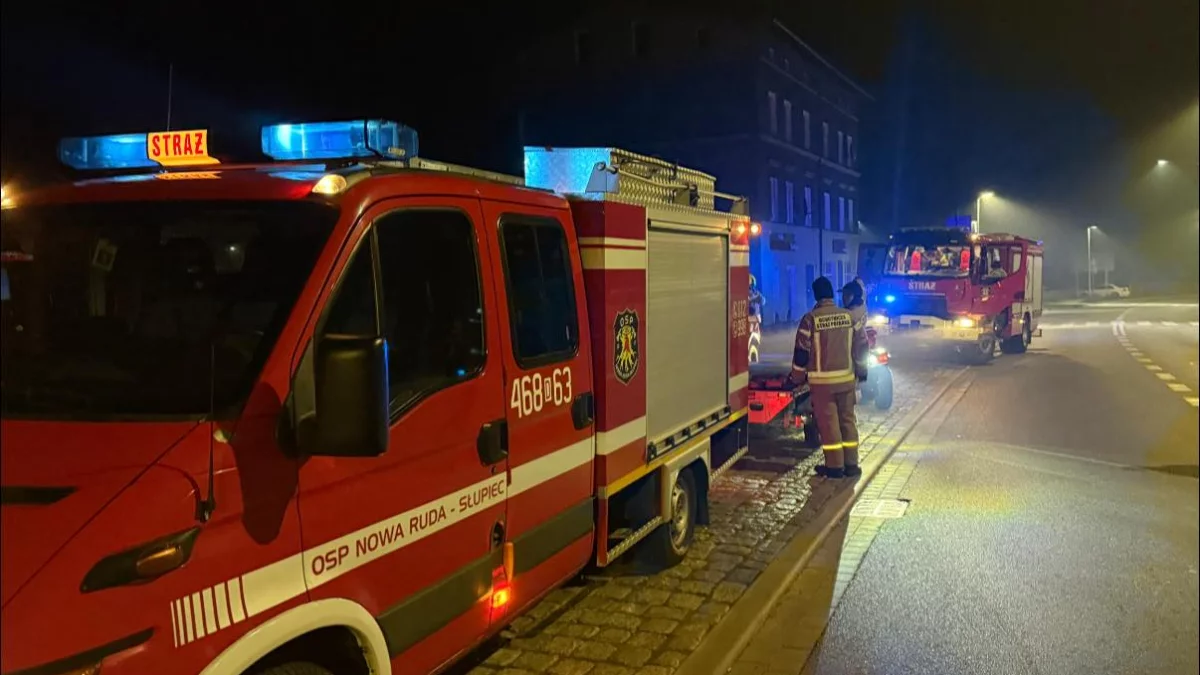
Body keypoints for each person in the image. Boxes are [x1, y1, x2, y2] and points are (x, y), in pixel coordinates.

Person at [792, 276, 870, 478]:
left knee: (829, 425)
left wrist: (796, 378)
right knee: (847, 421)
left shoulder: (810, 319)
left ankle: (835, 467)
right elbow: (862, 345)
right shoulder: (849, 317)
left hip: (822, 385)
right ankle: (851, 464)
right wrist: (862, 371)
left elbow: (801, 353)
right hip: (846, 381)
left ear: (816, 295)